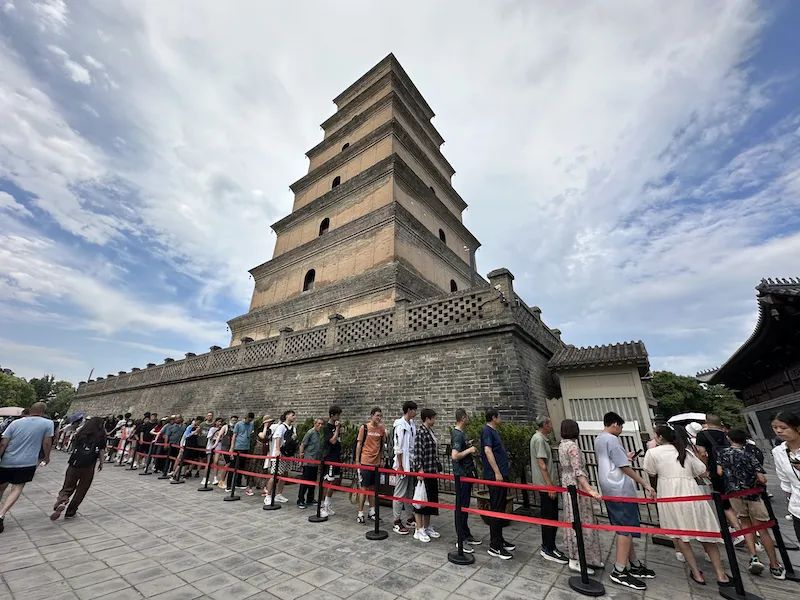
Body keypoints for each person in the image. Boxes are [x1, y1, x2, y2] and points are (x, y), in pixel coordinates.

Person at [643, 425, 733, 587]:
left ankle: (696, 572)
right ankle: (721, 574)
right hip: (691, 491)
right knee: (705, 533)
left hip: (669, 493)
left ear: (660, 437)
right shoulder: (685, 451)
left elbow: (651, 472)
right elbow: (702, 471)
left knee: (680, 534)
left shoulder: (653, 452)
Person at [595, 412, 656, 590]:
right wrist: (645, 483)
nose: (621, 430)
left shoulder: (599, 438)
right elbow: (623, 467)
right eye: (621, 426)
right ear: (614, 424)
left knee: (624, 527)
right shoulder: (612, 440)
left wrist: (625, 458)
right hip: (619, 487)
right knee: (626, 527)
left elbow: (616, 461)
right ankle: (619, 570)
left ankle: (633, 563)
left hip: (608, 485)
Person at [718, 428, 785, 579]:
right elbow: (762, 478)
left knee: (745, 526)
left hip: (734, 493)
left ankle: (754, 557)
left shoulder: (722, 454)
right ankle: (774, 565)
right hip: (752, 494)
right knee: (762, 529)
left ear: (730, 439)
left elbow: (720, 472)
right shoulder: (749, 454)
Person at [0, 402, 53, 533]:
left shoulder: (15, 423)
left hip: (7, 460)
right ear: (42, 411)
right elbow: (47, 442)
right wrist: (46, 457)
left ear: (30, 410)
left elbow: (3, 443)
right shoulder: (47, 423)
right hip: (27, 462)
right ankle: (1, 514)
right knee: (17, 488)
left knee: (1, 487)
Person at [558, 419, 603, 574]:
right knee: (580, 519)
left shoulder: (562, 445)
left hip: (566, 482)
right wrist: (590, 490)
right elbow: (578, 471)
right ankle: (578, 558)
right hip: (576, 486)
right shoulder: (572, 447)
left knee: (572, 518)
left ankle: (585, 557)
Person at [50, 417, 107, 520]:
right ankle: (71, 511)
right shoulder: (101, 435)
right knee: (82, 489)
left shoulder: (81, 432)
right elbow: (101, 450)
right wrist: (101, 463)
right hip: (89, 465)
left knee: (68, 485)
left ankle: (63, 499)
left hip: (74, 463)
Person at [530, 416, 568, 565]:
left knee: (552, 516)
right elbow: (542, 464)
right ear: (544, 425)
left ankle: (550, 546)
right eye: (550, 424)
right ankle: (548, 548)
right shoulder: (539, 440)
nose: (552, 426)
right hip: (546, 485)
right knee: (549, 517)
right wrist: (550, 485)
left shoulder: (540, 439)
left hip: (547, 484)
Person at [481, 408, 516, 560]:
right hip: (495, 476)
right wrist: (496, 472)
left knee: (500, 508)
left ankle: (499, 539)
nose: (501, 418)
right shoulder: (487, 431)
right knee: (496, 509)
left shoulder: (494, 431)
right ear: (494, 417)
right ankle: (494, 545)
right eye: (499, 416)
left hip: (501, 475)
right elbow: (488, 451)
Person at [695, 414, 738, 532]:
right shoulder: (728, 434)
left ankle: (738, 529)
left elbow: (702, 453)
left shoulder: (702, 435)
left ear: (706, 422)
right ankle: (749, 530)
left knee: (724, 502)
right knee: (737, 499)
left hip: (716, 470)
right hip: (735, 469)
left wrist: (705, 468)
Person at [451, 408, 481, 552]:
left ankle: (466, 533)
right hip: (461, 475)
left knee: (465, 506)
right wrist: (469, 450)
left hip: (466, 474)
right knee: (461, 506)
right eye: (467, 416)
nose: (468, 418)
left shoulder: (461, 434)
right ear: (463, 418)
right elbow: (454, 455)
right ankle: (460, 539)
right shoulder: (457, 435)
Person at [411, 408, 441, 542]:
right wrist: (420, 469)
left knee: (430, 500)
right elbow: (418, 452)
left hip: (432, 470)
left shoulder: (430, 431)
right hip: (425, 470)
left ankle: (427, 526)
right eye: (433, 418)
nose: (435, 420)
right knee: (420, 500)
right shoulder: (421, 432)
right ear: (427, 418)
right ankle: (419, 528)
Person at [772, 411, 800, 545]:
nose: (778, 431)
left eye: (783, 428)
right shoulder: (778, 452)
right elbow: (785, 480)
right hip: (797, 507)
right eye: (775, 427)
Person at [354, 407, 386, 524]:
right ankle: (360, 513)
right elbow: (359, 444)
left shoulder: (381, 429)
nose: (379, 418)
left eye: (380, 416)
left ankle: (372, 511)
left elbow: (382, 445)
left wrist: (382, 458)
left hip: (376, 463)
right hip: (366, 462)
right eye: (377, 415)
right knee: (364, 488)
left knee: (373, 488)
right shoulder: (365, 427)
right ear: (372, 415)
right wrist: (357, 461)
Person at [392, 400, 418, 535]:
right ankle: (396, 520)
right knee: (400, 492)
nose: (416, 412)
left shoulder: (412, 424)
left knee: (409, 491)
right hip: (403, 463)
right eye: (414, 410)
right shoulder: (400, 425)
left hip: (411, 462)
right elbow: (399, 447)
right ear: (409, 410)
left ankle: (409, 517)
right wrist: (400, 466)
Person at [264, 410, 297, 504]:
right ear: (287, 416)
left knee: (284, 474)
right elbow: (277, 438)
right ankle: (268, 495)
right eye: (292, 415)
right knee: (274, 475)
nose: (294, 417)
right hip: (280, 454)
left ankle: (279, 494)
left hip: (288, 453)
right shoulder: (281, 427)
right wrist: (277, 450)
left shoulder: (293, 428)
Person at [321, 405, 343, 518]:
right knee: (328, 481)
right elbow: (333, 441)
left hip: (337, 457)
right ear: (332, 415)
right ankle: (323, 506)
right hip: (330, 457)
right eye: (337, 415)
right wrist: (337, 429)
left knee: (334, 481)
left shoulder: (337, 426)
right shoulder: (327, 427)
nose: (339, 417)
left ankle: (328, 504)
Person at [297, 418, 324, 508]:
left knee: (313, 481)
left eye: (321, 424)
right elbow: (303, 444)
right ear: (314, 423)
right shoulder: (310, 432)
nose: (320, 425)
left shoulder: (319, 434)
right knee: (305, 481)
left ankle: (310, 498)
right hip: (308, 460)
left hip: (315, 461)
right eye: (318, 424)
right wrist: (301, 458)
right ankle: (300, 500)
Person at [229, 412, 254, 492]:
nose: (249, 421)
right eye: (248, 420)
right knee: (233, 466)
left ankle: (238, 483)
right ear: (245, 417)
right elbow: (234, 436)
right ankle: (229, 485)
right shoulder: (238, 424)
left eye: (250, 420)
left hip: (246, 447)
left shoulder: (251, 425)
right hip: (238, 447)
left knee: (241, 466)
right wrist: (232, 448)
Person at [200, 418, 224, 486]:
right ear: (216, 422)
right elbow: (210, 437)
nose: (220, 423)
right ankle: (205, 478)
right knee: (208, 463)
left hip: (218, 447)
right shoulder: (212, 429)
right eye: (219, 421)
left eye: (221, 422)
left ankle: (215, 478)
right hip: (210, 447)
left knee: (216, 462)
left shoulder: (223, 429)